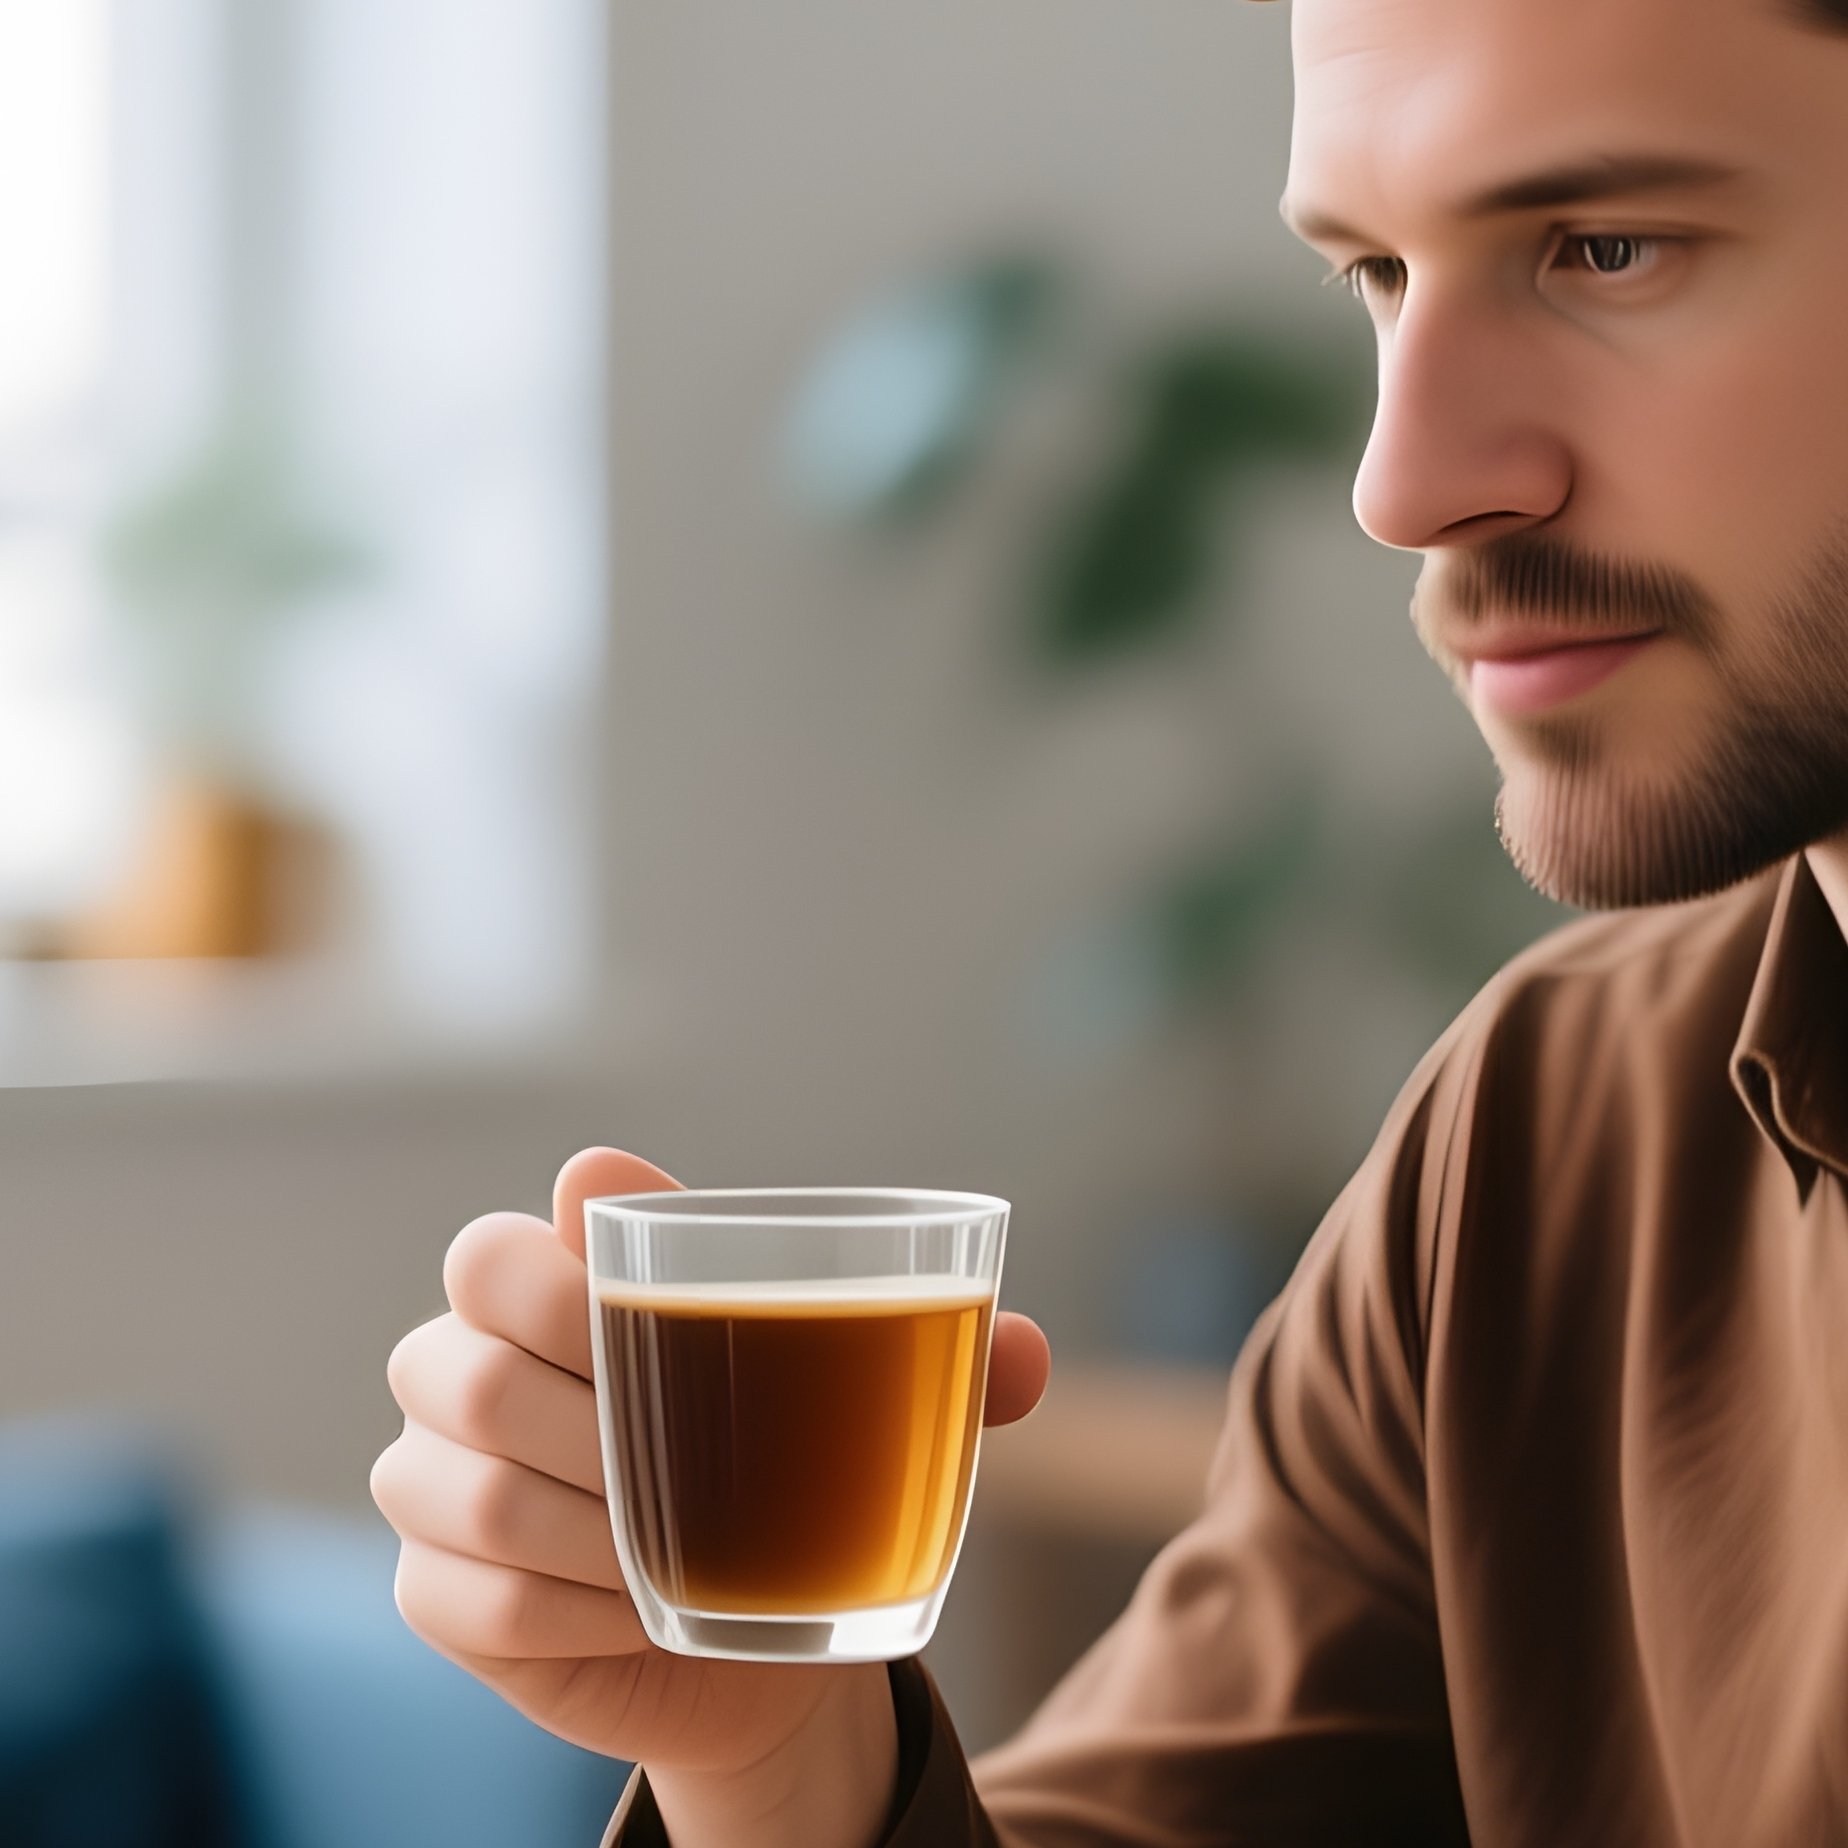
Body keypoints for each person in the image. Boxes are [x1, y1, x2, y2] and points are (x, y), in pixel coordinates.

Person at [370, 0, 1848, 1839]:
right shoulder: (1547, 1141)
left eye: (1604, 248)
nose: (1404, 483)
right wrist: (779, 1763)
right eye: (1379, 273)